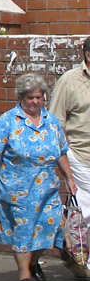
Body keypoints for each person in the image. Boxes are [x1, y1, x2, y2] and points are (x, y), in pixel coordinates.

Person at [0, 72, 78, 281]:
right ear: (21, 98)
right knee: (23, 230)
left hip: (47, 188)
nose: (35, 101)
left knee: (51, 226)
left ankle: (34, 261)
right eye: (30, 98)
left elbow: (61, 152)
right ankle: (24, 275)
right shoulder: (8, 121)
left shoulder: (51, 121)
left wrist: (69, 177)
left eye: (39, 97)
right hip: (18, 188)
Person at [49, 37, 90, 225]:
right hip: (81, 156)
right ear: (88, 55)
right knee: (85, 211)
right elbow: (55, 122)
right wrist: (67, 155)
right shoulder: (69, 80)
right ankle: (82, 252)